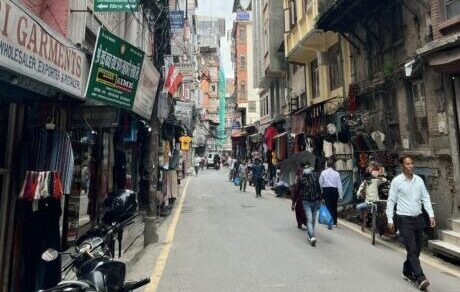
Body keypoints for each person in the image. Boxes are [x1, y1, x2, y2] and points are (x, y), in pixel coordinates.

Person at [386, 156, 435, 291]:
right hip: (404, 219)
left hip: (418, 218)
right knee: (411, 248)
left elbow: (425, 198)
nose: (411, 166)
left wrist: (431, 215)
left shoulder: (419, 180)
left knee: (417, 249)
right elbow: (391, 201)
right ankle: (420, 277)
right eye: (408, 164)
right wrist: (390, 219)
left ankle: (407, 271)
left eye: (412, 163)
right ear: (402, 166)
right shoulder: (397, 182)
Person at [292, 164, 322, 246]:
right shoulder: (302, 179)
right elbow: (296, 191)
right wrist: (293, 202)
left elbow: (318, 188)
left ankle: (310, 235)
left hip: (313, 201)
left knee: (312, 219)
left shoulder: (314, 177)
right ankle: (312, 236)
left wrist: (320, 199)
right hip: (308, 202)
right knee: (310, 219)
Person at [319, 159, 343, 229]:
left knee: (328, 205)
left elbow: (320, 183)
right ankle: (335, 222)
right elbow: (339, 185)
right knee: (334, 206)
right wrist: (340, 195)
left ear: (327, 165)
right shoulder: (337, 173)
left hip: (326, 190)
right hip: (334, 190)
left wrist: (321, 191)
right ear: (333, 166)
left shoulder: (323, 173)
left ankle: (329, 222)